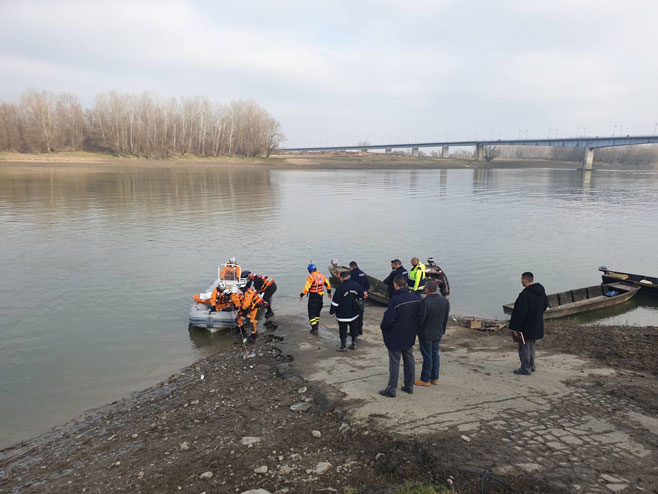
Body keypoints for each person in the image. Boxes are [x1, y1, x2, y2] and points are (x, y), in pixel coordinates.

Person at [379, 275, 420, 397]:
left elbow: (388, 320)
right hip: (410, 333)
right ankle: (409, 385)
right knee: (409, 359)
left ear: (396, 285)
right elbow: (420, 314)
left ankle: (391, 389)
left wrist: (384, 328)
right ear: (406, 285)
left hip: (396, 335)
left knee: (395, 362)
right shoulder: (415, 297)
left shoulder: (395, 300)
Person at [509, 272, 549, 375]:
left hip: (525, 324)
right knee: (531, 345)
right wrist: (536, 314)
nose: (521, 281)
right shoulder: (541, 291)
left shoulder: (525, 294)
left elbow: (520, 312)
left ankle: (526, 368)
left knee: (524, 346)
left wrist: (515, 327)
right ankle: (531, 366)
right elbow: (545, 304)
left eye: (522, 279)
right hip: (536, 323)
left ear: (525, 280)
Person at [415, 279, 450, 386]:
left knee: (427, 356)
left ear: (427, 290)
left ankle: (425, 379)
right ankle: (434, 378)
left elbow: (421, 319)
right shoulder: (444, 301)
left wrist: (416, 328)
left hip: (426, 333)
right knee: (435, 355)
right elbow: (445, 318)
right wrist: (443, 330)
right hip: (438, 331)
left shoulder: (425, 302)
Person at [330, 270, 364, 351]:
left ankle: (343, 346)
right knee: (354, 328)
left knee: (343, 329)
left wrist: (332, 311)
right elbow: (360, 297)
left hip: (342, 314)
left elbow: (335, 302)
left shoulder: (340, 288)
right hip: (354, 313)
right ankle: (354, 343)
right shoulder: (356, 285)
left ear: (341, 278)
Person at [300, 264, 332, 335]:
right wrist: (329, 292)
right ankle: (316, 324)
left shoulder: (311, 277)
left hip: (313, 296)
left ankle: (314, 328)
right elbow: (327, 284)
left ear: (309, 270)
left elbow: (306, 288)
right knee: (317, 311)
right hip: (321, 295)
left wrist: (301, 295)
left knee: (311, 312)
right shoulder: (322, 275)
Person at [349, 261, 370, 335]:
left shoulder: (353, 274)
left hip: (355, 297)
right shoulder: (363, 273)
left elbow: (351, 285)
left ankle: (354, 331)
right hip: (362, 297)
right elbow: (368, 284)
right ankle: (360, 330)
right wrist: (366, 291)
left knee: (354, 314)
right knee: (360, 313)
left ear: (351, 267)